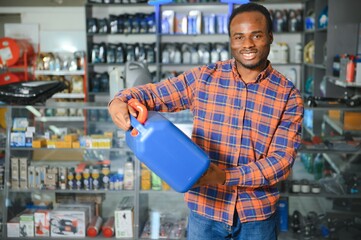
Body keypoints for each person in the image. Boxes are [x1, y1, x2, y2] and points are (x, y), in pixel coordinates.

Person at [108, 2, 304, 240]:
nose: (247, 44)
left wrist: (223, 177)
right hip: (206, 210)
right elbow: (152, 94)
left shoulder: (288, 95)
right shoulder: (205, 78)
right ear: (230, 40)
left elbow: (281, 161)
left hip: (257, 216)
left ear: (270, 37)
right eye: (239, 37)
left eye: (257, 35)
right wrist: (119, 100)